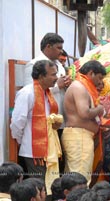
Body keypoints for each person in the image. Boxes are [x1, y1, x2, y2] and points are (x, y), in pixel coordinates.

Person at [10, 60, 62, 192]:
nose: (56, 77)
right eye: (53, 74)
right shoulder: (27, 93)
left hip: (49, 150)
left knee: (50, 184)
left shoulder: (47, 93)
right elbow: (17, 122)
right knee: (39, 187)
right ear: (41, 76)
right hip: (34, 151)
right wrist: (24, 141)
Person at [62, 60, 106, 184]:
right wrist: (100, 109)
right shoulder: (79, 87)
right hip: (78, 137)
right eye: (99, 78)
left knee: (73, 179)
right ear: (91, 73)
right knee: (80, 180)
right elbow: (84, 113)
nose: (100, 82)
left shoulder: (82, 86)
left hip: (80, 136)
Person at [24, 33, 71, 132]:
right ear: (48, 46)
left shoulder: (59, 64)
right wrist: (57, 86)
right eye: (59, 48)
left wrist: (67, 84)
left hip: (60, 120)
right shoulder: (33, 64)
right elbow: (31, 92)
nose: (61, 51)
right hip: (45, 121)